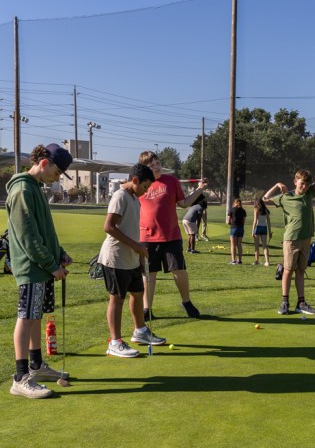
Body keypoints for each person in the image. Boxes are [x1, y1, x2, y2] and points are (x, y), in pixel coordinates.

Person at [6, 143, 74, 399]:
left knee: (35, 316)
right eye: (57, 174)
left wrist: (59, 254)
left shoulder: (34, 188)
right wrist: (51, 265)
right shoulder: (22, 189)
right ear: (44, 163)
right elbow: (29, 236)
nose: (56, 179)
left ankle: (36, 367)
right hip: (32, 267)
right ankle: (20, 377)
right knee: (26, 316)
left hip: (41, 266)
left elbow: (45, 230)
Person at [98, 163, 166, 358]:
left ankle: (140, 331)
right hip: (115, 257)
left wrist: (139, 253)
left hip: (131, 257)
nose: (146, 192)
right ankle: (115, 342)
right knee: (117, 299)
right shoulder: (120, 197)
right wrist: (136, 247)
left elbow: (131, 229)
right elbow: (109, 227)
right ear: (134, 180)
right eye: (145, 187)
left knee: (138, 292)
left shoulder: (135, 198)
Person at [138, 151, 209, 321]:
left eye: (157, 163)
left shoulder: (171, 181)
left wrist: (199, 190)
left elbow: (184, 203)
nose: (156, 167)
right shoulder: (141, 184)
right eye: (151, 165)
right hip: (147, 237)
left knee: (179, 271)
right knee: (149, 275)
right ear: (144, 168)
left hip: (171, 235)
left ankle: (186, 302)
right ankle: (147, 309)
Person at [263, 170, 315, 315]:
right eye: (301, 183)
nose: (304, 186)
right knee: (288, 270)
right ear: (295, 182)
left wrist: (314, 183)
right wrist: (277, 185)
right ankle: (285, 302)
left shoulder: (309, 193)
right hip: (291, 239)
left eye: (306, 184)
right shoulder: (286, 197)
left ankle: (301, 303)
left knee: (301, 271)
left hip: (306, 239)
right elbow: (265, 198)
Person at [251, 196, 272, 266]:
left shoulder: (256, 209)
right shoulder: (266, 210)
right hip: (264, 228)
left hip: (258, 227)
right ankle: (267, 262)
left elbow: (254, 221)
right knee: (265, 246)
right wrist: (270, 232)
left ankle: (257, 261)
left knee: (256, 246)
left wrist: (252, 231)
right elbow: (268, 222)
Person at [226, 197, 247, 264]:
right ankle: (240, 260)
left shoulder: (232, 210)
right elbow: (244, 221)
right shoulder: (243, 211)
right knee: (239, 244)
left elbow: (228, 221)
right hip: (241, 228)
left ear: (234, 203)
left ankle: (233, 260)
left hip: (233, 228)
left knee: (233, 245)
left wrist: (231, 224)